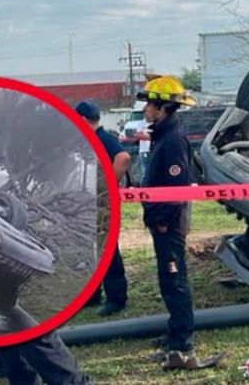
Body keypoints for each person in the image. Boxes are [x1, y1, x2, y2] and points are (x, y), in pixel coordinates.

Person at [137, 75, 223, 371]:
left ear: (163, 108)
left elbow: (176, 190)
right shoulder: (163, 136)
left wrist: (161, 221)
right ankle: (174, 335)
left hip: (169, 225)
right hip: (162, 222)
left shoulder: (173, 140)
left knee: (176, 283)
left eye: (150, 104)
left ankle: (183, 345)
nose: (146, 109)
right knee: (168, 282)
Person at [75, 100, 131, 317]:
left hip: (101, 205)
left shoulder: (103, 138)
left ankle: (116, 298)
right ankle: (93, 294)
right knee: (92, 249)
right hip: (89, 204)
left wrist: (107, 186)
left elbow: (123, 157)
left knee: (107, 249)